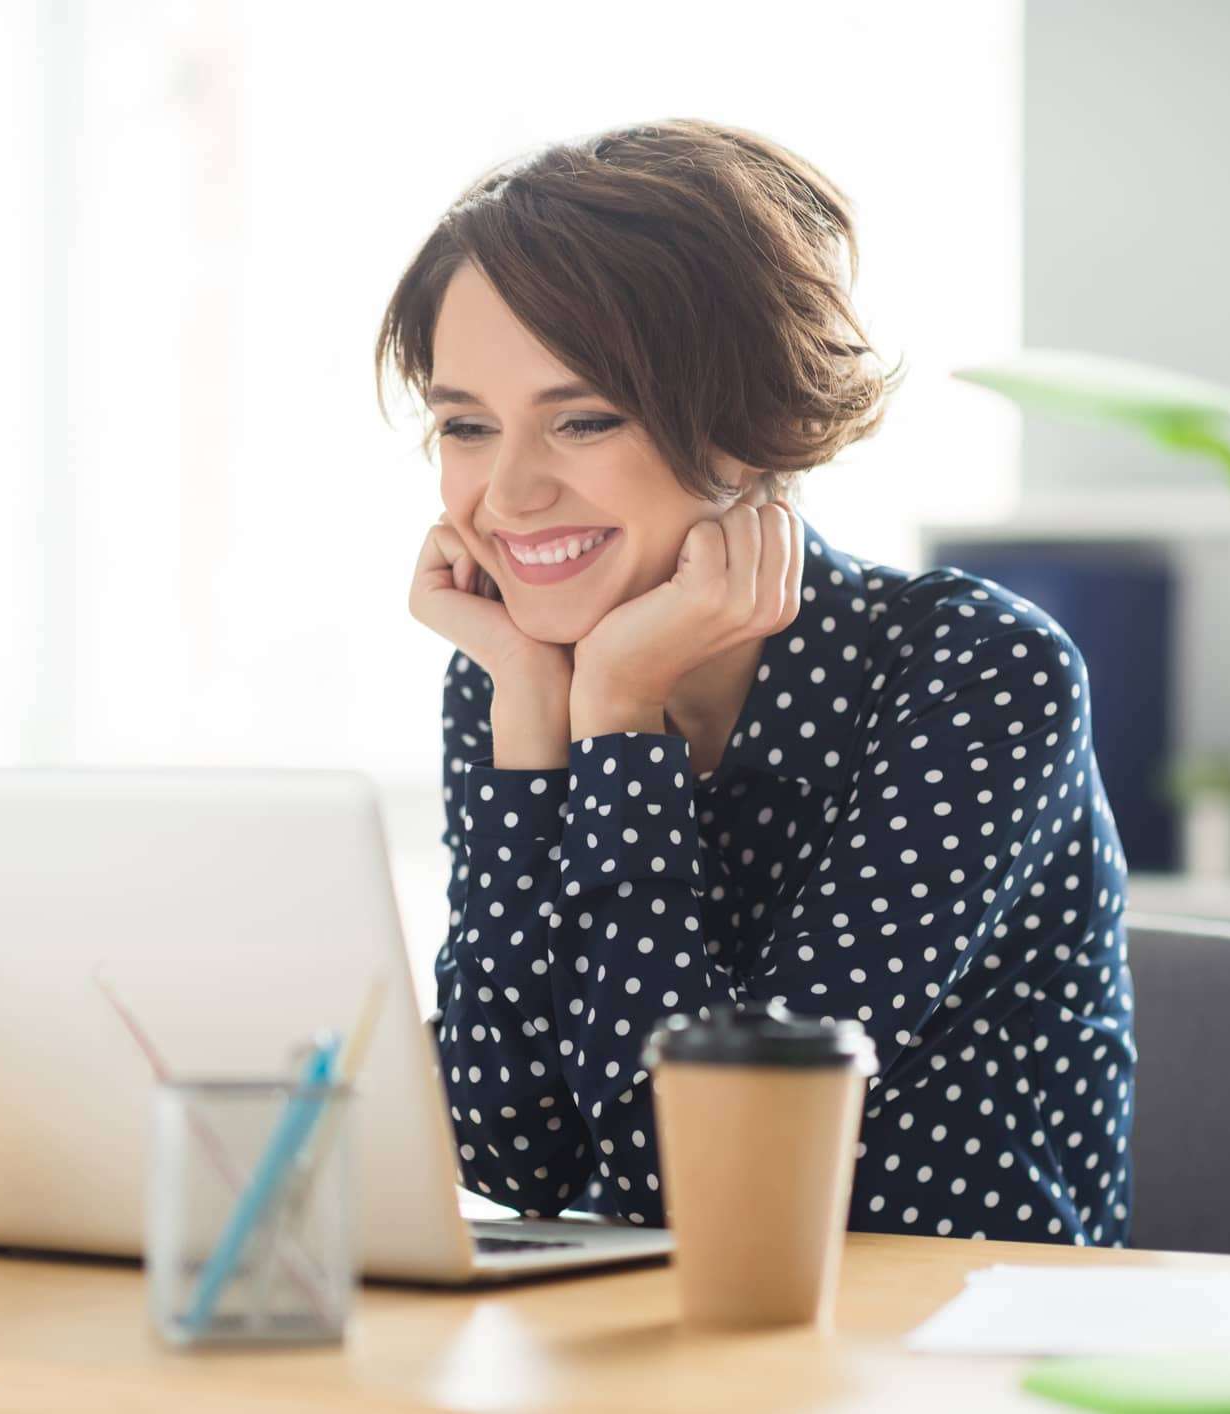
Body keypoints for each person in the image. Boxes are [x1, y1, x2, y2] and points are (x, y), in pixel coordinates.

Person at [374, 119, 1134, 1247]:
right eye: (467, 426)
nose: (510, 493)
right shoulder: (513, 673)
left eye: (583, 418)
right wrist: (533, 714)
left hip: (947, 1323)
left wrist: (617, 718)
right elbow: (509, 1153)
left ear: (750, 427)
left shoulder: (976, 672)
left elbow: (705, 1167)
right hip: (658, 1327)